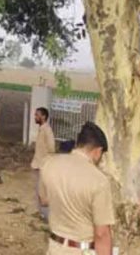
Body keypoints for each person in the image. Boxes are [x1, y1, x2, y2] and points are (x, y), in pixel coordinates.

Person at [39, 122, 114, 255]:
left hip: (54, 247)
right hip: (82, 250)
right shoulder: (99, 181)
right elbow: (102, 234)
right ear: (98, 151)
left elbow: (44, 200)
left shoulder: (49, 164)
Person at [31, 107, 55, 220]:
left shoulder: (47, 130)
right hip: (38, 163)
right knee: (38, 190)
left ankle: (46, 216)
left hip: (44, 165)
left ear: (43, 117)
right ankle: (40, 213)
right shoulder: (42, 129)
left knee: (43, 192)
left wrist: (46, 162)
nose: (35, 117)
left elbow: (51, 148)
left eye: (37, 115)